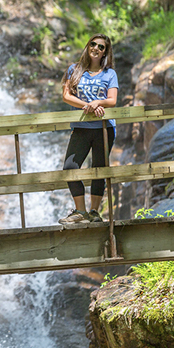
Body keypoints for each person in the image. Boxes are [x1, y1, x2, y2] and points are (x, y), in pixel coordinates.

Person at [58, 33, 118, 224]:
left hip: (103, 127)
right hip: (81, 126)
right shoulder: (74, 70)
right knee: (70, 168)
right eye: (93, 44)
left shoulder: (110, 74)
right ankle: (80, 211)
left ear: (105, 53)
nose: (96, 49)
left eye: (101, 47)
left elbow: (112, 100)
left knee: (98, 169)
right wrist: (88, 104)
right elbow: (66, 96)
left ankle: (94, 211)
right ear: (88, 46)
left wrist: (98, 102)